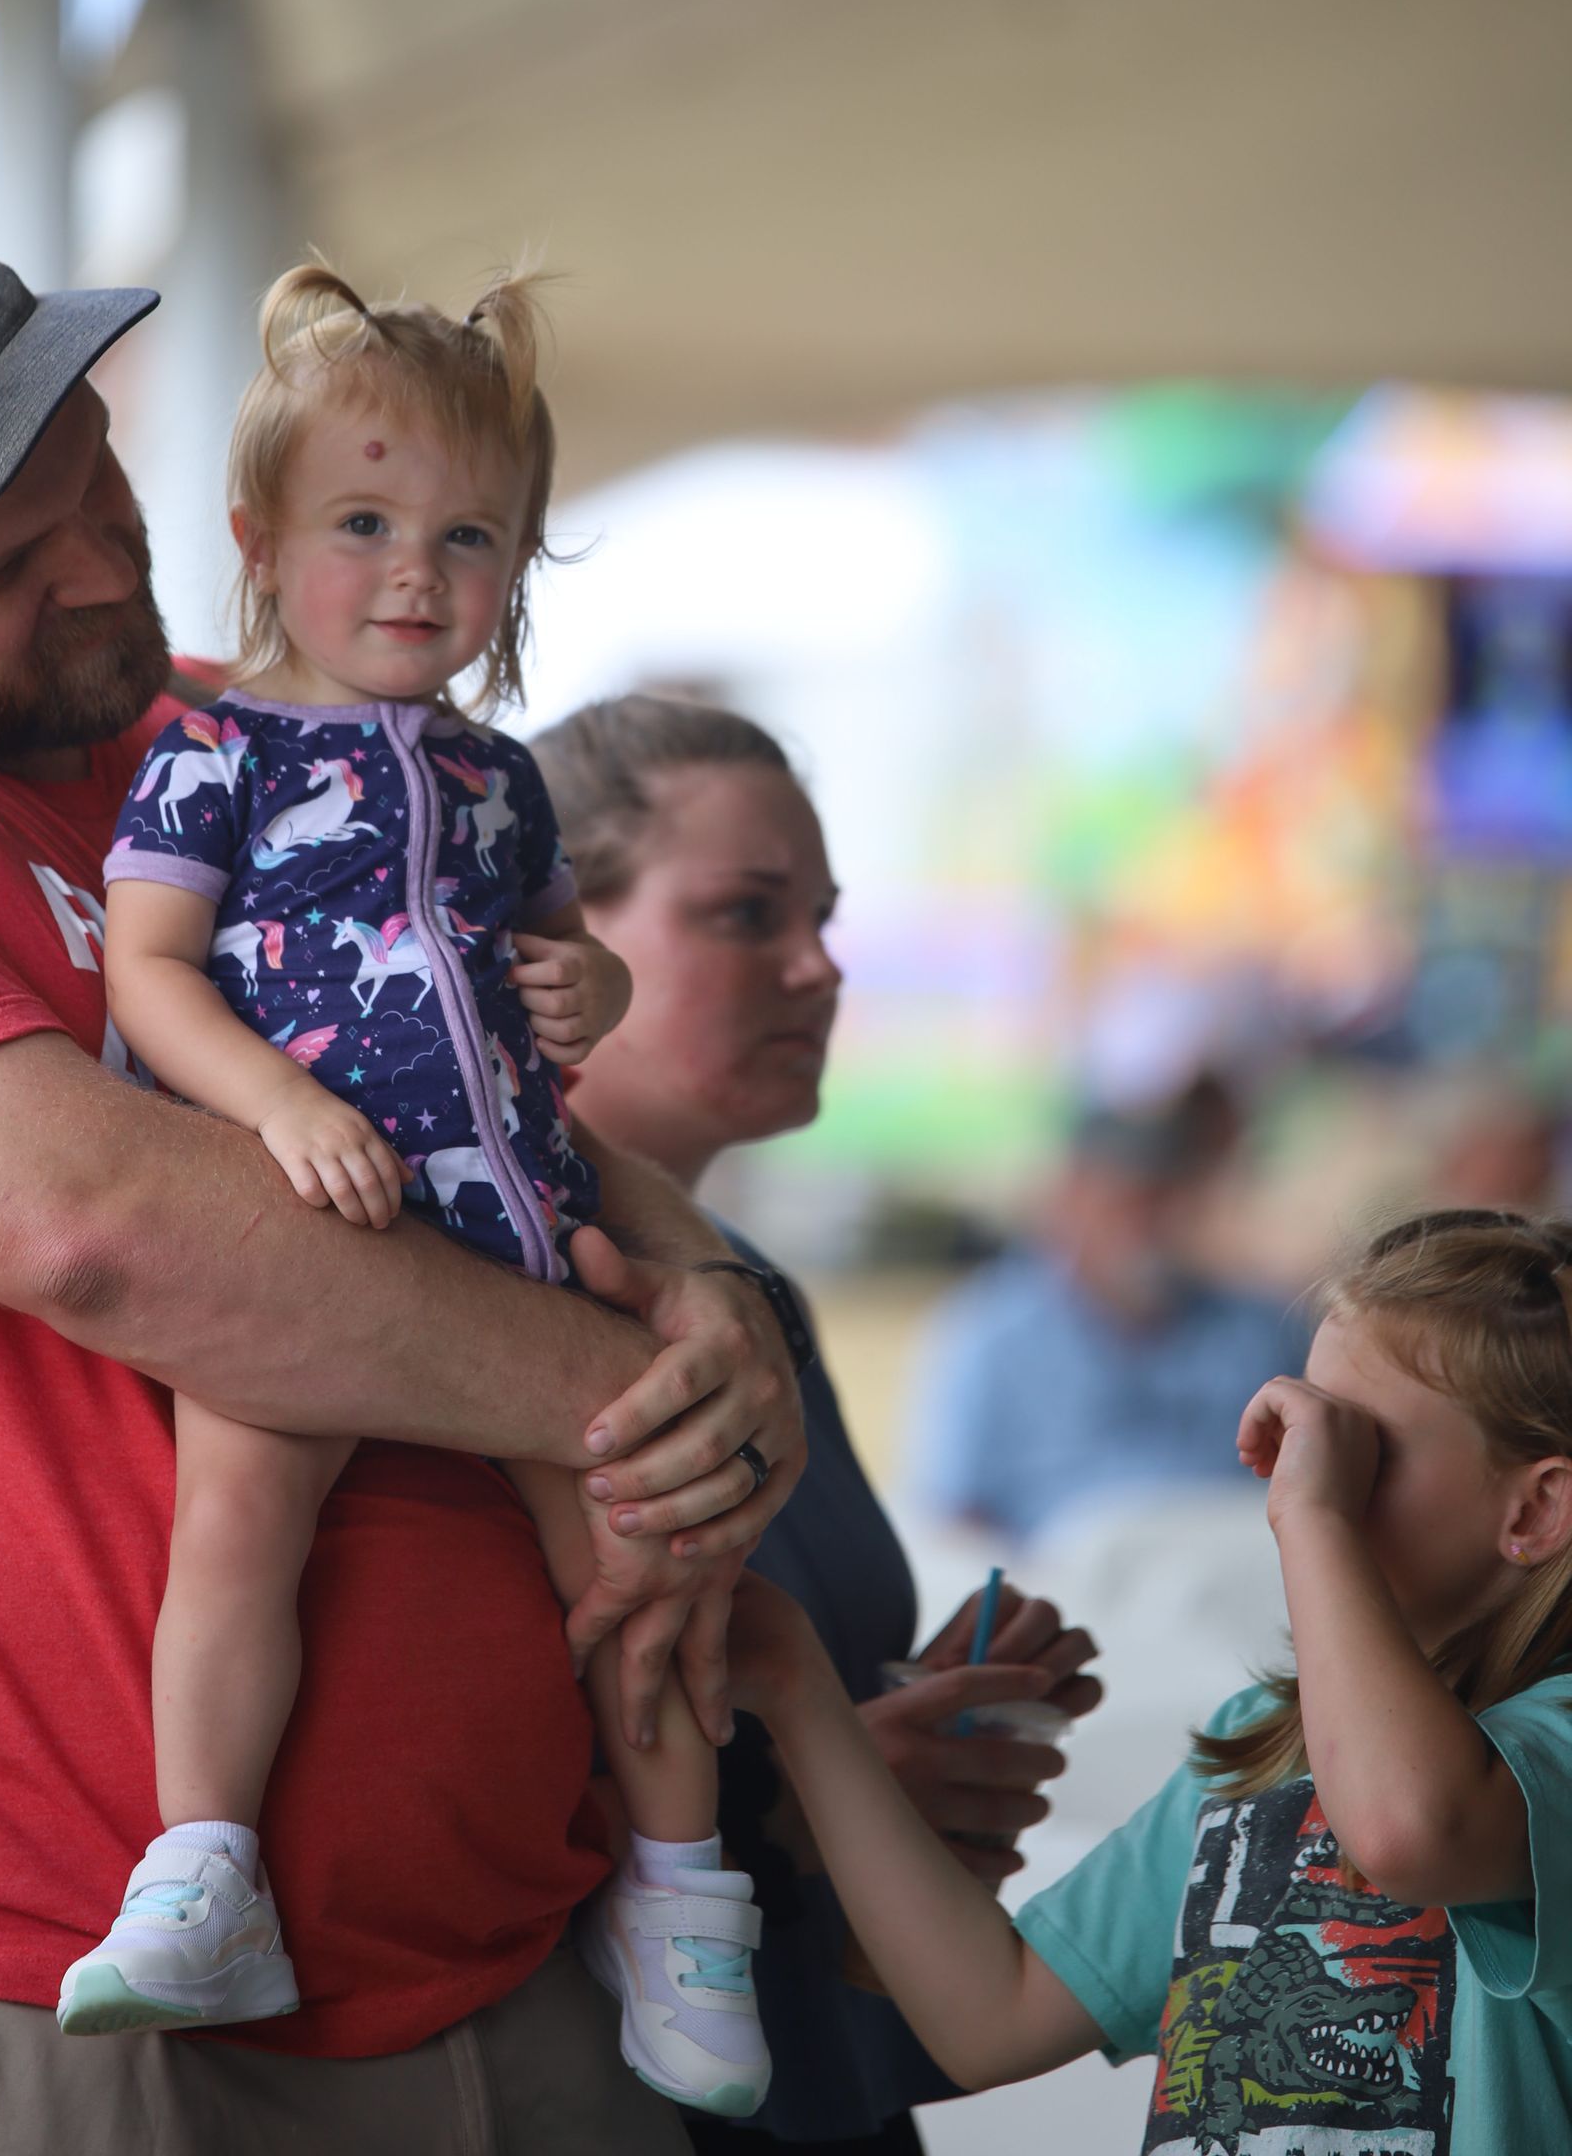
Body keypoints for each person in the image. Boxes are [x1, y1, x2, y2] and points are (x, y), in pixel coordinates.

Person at [0, 213, 809, 2156]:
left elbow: (493, 1085)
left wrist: (716, 1304)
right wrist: (644, 1424)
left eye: (90, 470)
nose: (102, 562)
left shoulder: (221, 724)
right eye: (1, 566)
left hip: (512, 1953)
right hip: (40, 2004)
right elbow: (94, 1228)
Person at [69, 267, 772, 2118]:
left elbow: (551, 962)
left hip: (520, 1242)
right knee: (237, 1523)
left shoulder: (497, 778)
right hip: (299, 1241)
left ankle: (685, 1897)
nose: (413, 576)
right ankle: (205, 1863)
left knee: (637, 1555)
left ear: (521, 565)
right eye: (362, 527)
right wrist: (269, 1107)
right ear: (260, 539)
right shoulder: (208, 753)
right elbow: (143, 971)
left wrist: (598, 991)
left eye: (469, 540)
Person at [534, 694, 1102, 2155]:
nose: (818, 967)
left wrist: (916, 1738)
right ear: (555, 939)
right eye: (743, 914)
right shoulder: (501, 1295)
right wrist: (821, 1798)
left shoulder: (751, 1293)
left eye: (826, 915)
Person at [728, 1207, 1572, 2151]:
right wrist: (803, 1698)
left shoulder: (1551, 1747)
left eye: (1357, 1449)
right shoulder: (1267, 1743)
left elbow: (1412, 1830)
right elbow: (989, 2015)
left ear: (1536, 1510)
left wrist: (1316, 1522)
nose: (1298, 1482)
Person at [906, 1086, 1309, 1540]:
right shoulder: (987, 1334)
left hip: (1234, 1574)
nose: (1146, 1223)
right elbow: (952, 1513)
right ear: (1071, 1201)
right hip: (1066, 1585)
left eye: (1165, 1197)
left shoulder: (1262, 1326)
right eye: (1124, 1200)